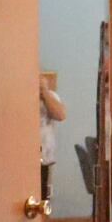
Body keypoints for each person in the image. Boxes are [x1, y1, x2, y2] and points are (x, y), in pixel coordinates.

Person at [38, 69, 66, 203]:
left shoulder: (50, 96)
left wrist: (44, 91)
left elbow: (60, 115)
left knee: (42, 200)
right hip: (22, 158)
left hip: (43, 159)